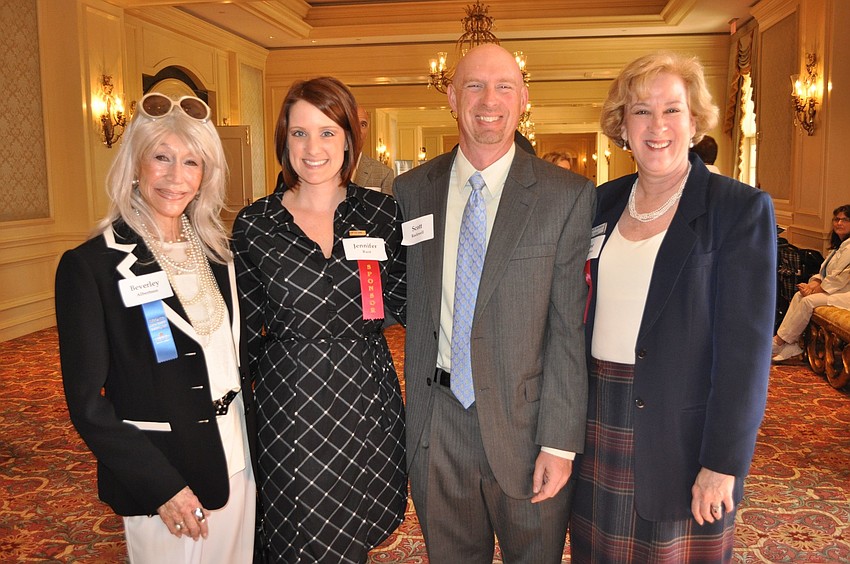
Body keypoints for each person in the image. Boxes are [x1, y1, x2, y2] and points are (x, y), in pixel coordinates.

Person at [394, 44, 596, 563]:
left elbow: (568, 331)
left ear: (523, 98)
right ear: (452, 96)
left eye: (504, 86)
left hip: (527, 428)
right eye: (475, 86)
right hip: (437, 426)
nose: (490, 100)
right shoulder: (411, 191)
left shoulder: (566, 195)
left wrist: (559, 441)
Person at [570, 52, 775, 563]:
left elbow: (745, 356)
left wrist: (722, 462)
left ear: (694, 120)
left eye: (672, 110)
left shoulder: (738, 209)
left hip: (683, 437)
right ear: (622, 125)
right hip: (600, 420)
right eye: (641, 111)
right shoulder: (600, 203)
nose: (656, 126)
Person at [55, 92, 257, 563]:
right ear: (134, 166)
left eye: (191, 162)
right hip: (169, 477)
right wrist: (161, 486)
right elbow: (87, 405)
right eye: (161, 158)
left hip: (238, 462)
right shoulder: (92, 266)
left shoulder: (220, 255)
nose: (175, 177)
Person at [231, 76, 407, 563]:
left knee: (354, 528)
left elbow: (411, 297)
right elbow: (241, 331)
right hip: (290, 400)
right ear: (283, 140)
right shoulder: (255, 223)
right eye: (299, 132)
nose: (313, 147)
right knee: (294, 532)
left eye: (328, 132)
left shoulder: (382, 212)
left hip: (366, 396)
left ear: (350, 138)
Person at [772, 204, 850, 361]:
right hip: (834, 290)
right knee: (798, 296)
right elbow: (824, 272)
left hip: (845, 294)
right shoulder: (840, 247)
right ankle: (791, 344)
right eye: (836, 219)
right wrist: (812, 284)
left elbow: (840, 278)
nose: (839, 223)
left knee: (808, 301)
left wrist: (814, 290)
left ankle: (779, 341)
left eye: (845, 220)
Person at [353, 106, 395, 194]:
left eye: (363, 125)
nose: (358, 130)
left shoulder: (383, 173)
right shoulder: (326, 167)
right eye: (353, 123)